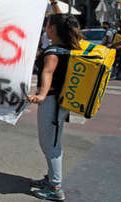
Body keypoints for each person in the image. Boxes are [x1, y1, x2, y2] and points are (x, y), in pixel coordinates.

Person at [28, 13, 84, 201]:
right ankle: (51, 179)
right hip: (59, 102)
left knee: (50, 145)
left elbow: (48, 71)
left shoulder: (52, 51)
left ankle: (55, 188)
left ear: (52, 29)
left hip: (52, 102)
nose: (46, 26)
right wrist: (53, 3)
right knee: (53, 142)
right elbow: (63, 19)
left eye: (48, 24)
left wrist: (41, 94)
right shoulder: (67, 47)